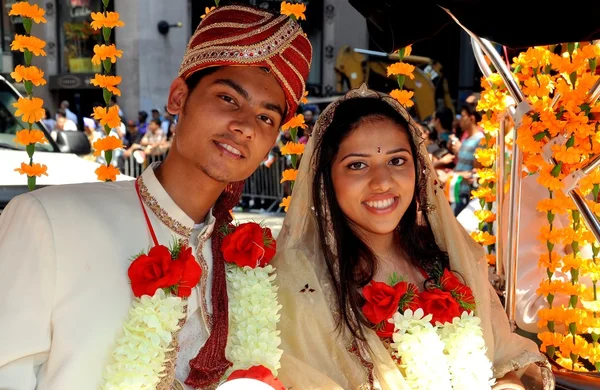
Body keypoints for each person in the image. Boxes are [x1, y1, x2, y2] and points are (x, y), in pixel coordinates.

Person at [0, 5, 311, 389]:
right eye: (229, 99)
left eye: (267, 117)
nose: (245, 126)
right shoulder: (49, 221)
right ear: (178, 97)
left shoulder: (253, 263)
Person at [272, 85, 553, 389]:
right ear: (327, 179)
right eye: (357, 165)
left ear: (419, 169)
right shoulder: (301, 283)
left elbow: (500, 363)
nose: (382, 182)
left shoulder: (447, 259)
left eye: (397, 161)